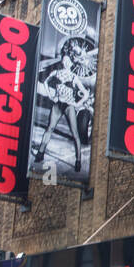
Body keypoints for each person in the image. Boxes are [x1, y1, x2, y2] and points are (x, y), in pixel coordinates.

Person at [31, 42, 94, 173]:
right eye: (63, 60)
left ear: (71, 63)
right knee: (49, 128)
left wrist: (78, 103)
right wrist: (50, 95)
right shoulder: (56, 73)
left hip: (69, 106)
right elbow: (47, 82)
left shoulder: (74, 77)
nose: (65, 62)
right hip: (58, 104)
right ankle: (40, 154)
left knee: (75, 133)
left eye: (67, 61)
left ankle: (78, 161)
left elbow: (86, 93)